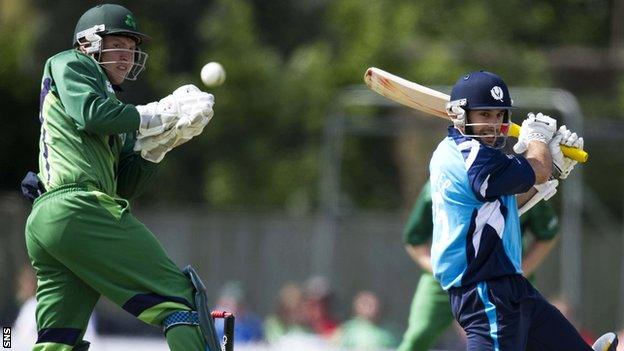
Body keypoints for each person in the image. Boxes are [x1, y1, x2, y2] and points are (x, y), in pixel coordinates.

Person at [22, 4, 217, 351]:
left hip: (54, 223)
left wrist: (158, 147)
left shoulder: (116, 119)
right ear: (88, 43)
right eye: (118, 46)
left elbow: (124, 186)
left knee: (57, 340)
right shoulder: (71, 63)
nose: (127, 57)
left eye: (131, 49)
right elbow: (91, 113)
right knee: (181, 299)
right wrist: (155, 113)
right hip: (77, 206)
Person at [428, 70, 618, 350]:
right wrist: (538, 138)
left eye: (498, 115)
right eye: (484, 115)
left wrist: (550, 169)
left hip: (510, 286)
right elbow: (535, 169)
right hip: (484, 291)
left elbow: (500, 208)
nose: (493, 125)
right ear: (459, 114)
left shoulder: (474, 155)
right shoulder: (470, 156)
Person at [398, 180, 560, 351]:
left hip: (503, 278)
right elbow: (414, 239)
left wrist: (519, 272)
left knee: (525, 338)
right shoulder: (442, 181)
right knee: (418, 336)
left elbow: (547, 234)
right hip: (447, 280)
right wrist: (442, 272)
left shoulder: (518, 184)